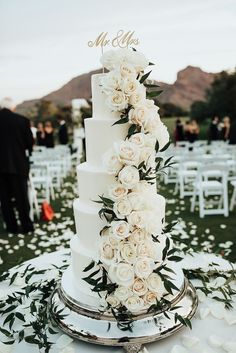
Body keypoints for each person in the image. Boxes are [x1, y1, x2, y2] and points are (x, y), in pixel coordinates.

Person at [0, 98, 34, 233]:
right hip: (18, 164)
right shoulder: (22, 120)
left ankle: (11, 226)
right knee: (21, 197)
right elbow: (29, 143)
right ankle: (26, 226)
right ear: (12, 107)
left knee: (5, 199)